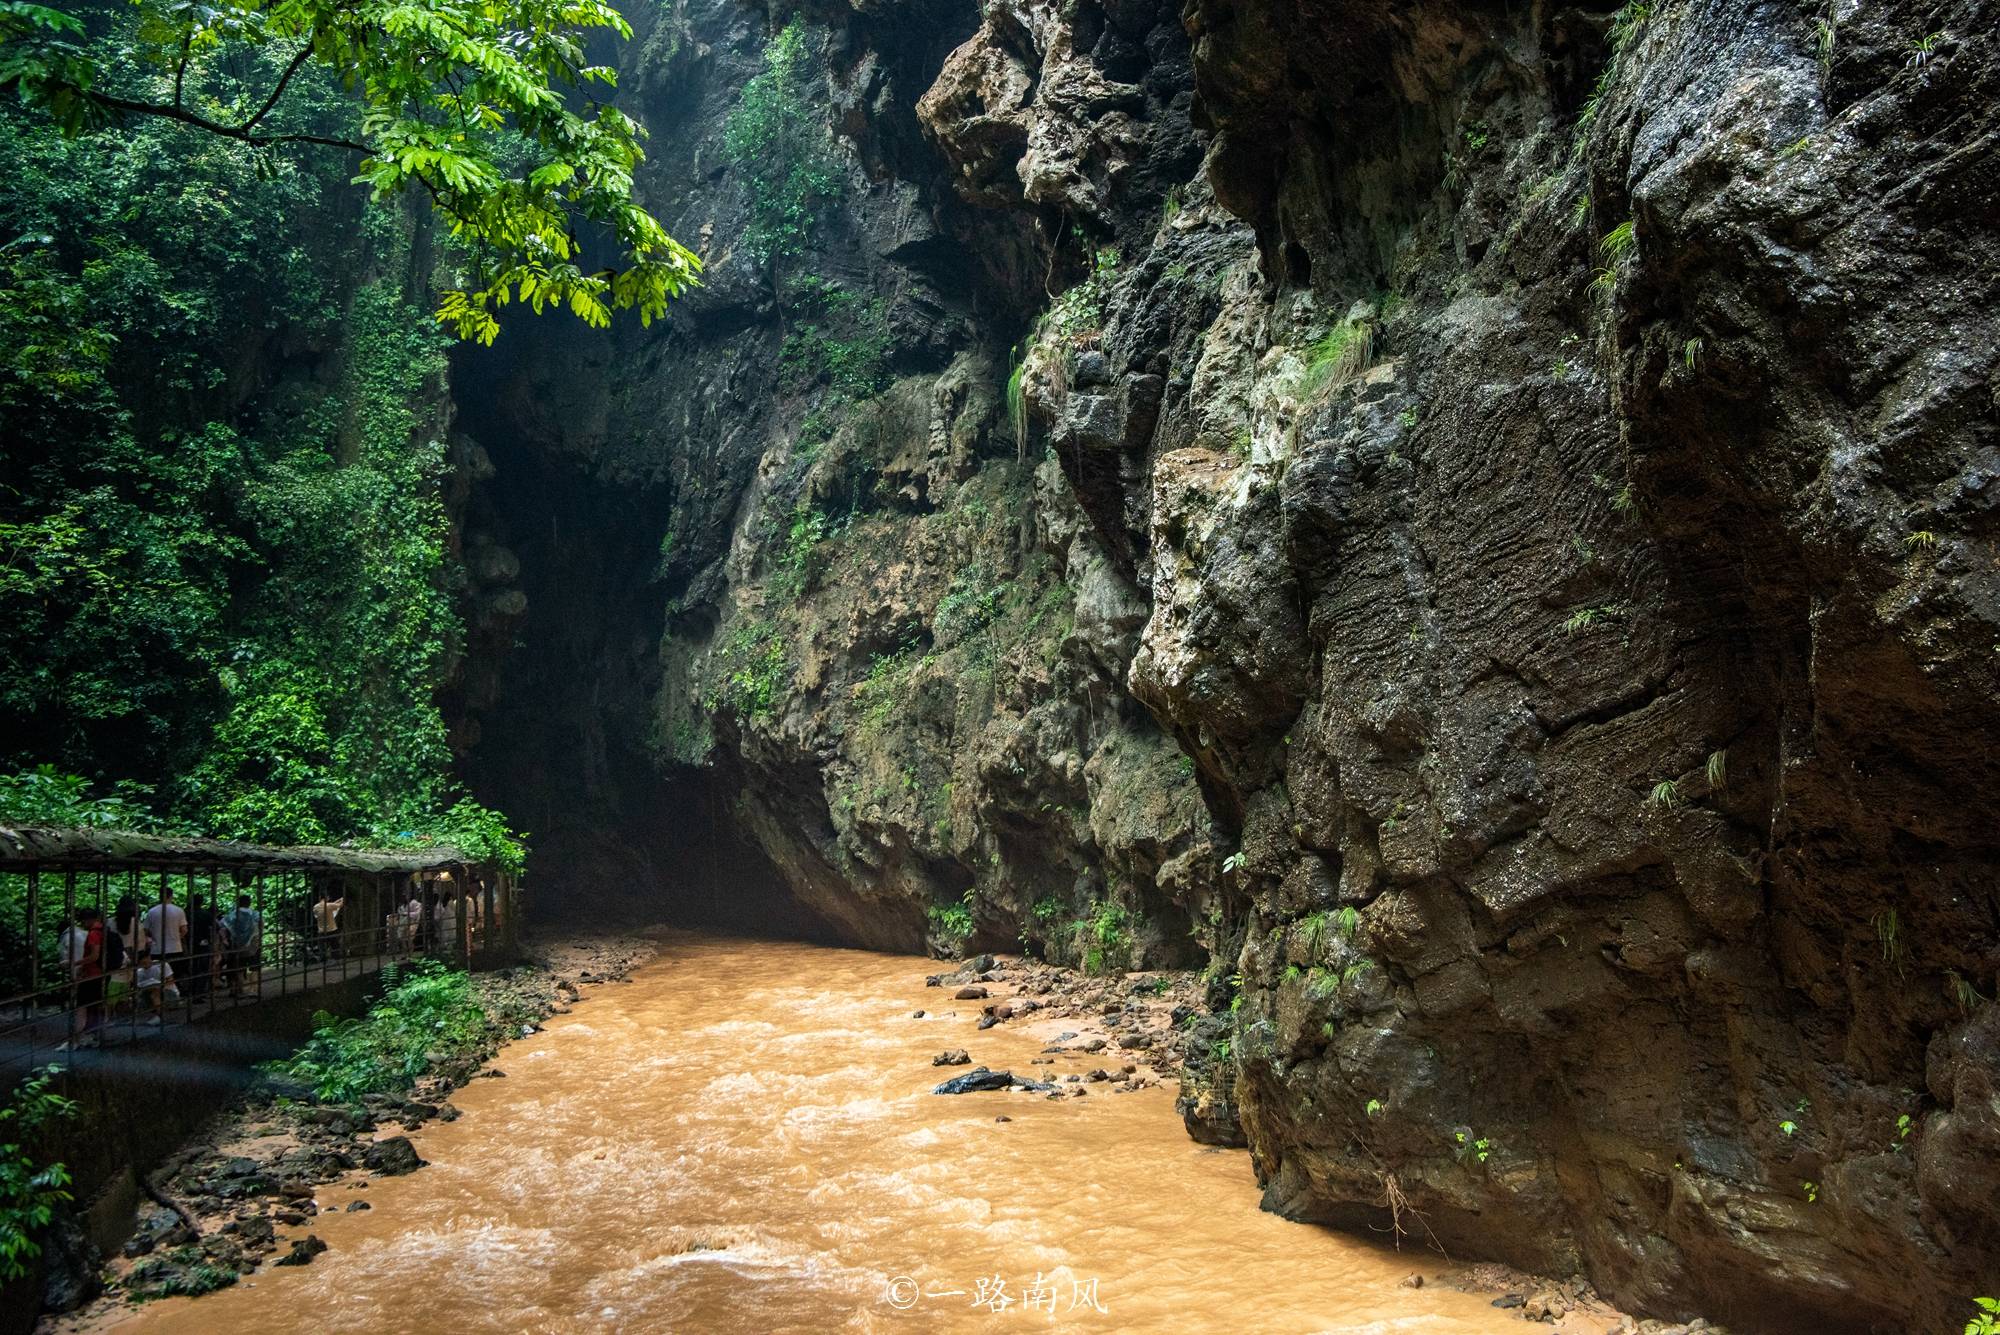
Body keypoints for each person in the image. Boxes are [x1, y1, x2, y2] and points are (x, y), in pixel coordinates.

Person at [58, 907, 105, 1051]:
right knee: (93, 1006)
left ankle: (75, 1039)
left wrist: (74, 965)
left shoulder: (75, 936)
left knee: (80, 1007)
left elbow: (92, 956)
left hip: (87, 974)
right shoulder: (92, 932)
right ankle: (92, 1035)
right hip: (99, 973)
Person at [141, 885, 188, 979]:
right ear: (171, 896)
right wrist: (177, 937)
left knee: (157, 976)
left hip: (157, 950)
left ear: (159, 895)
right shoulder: (179, 910)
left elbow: (145, 930)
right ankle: (173, 992)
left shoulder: (152, 911)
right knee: (175, 976)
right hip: (175, 949)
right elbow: (184, 930)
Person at [221, 893, 263, 998]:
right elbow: (261, 925)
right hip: (253, 945)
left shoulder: (231, 915)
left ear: (238, 903)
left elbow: (222, 927)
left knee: (239, 968)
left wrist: (226, 940)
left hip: (238, 946)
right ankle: (253, 990)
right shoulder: (256, 914)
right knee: (254, 968)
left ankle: (242, 989)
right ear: (249, 903)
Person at [131, 948, 179, 1025]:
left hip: (168, 993)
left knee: (155, 993)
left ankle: (161, 1017)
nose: (145, 964)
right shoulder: (139, 972)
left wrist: (159, 987)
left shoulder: (161, 965)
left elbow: (170, 981)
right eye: (143, 963)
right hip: (148, 993)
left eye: (146, 960)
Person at [186, 892, 218, 1000]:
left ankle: (190, 991)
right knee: (203, 968)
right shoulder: (205, 914)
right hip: (203, 943)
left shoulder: (186, 913)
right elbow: (215, 927)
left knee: (192, 967)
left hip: (189, 943)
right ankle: (199, 993)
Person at [311, 889, 344, 960]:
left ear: (320, 898)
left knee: (322, 947)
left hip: (321, 931)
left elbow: (331, 905)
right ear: (327, 897)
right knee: (335, 946)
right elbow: (339, 905)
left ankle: (323, 960)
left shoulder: (315, 907)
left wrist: (337, 900)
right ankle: (336, 959)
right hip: (331, 930)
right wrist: (342, 899)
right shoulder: (329, 905)